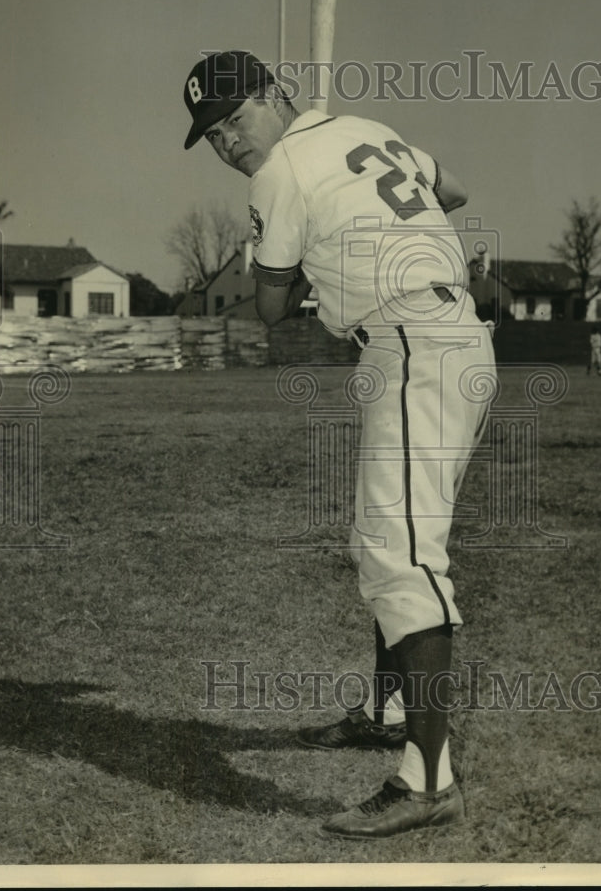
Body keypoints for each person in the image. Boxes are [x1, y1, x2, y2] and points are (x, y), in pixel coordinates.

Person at [183, 50, 495, 839]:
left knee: (402, 554)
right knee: (381, 540)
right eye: (211, 134)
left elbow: (270, 307)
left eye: (235, 118)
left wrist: (331, 255)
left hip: (413, 340)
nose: (227, 142)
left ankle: (429, 781)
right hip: (438, 337)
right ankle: (391, 711)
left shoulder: (279, 173)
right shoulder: (366, 129)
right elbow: (452, 190)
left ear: (275, 95)